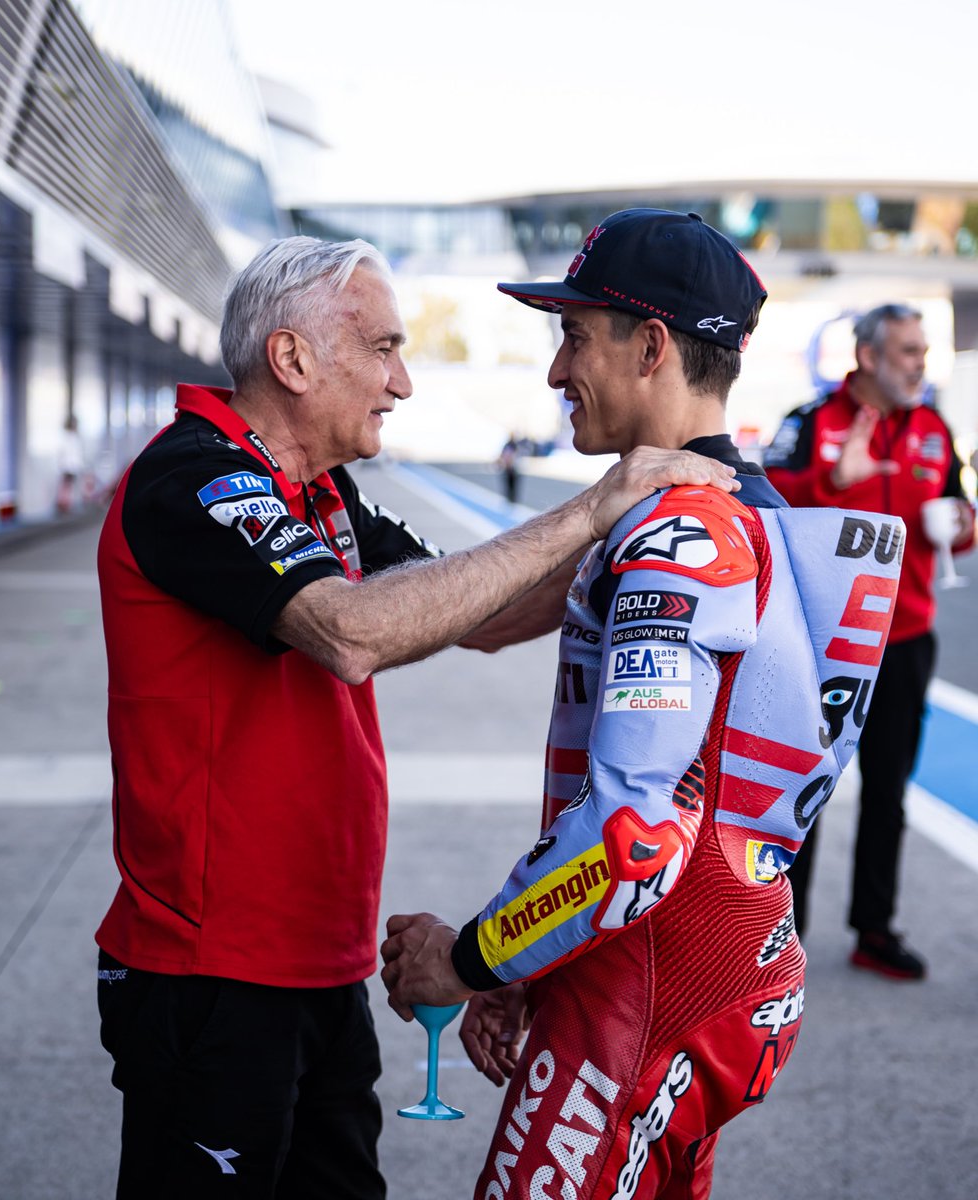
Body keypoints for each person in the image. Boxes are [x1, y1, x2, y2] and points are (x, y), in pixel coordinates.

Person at [92, 233, 742, 1200]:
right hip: (211, 971)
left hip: (317, 957)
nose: (402, 382)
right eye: (384, 349)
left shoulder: (323, 493)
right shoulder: (195, 476)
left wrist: (656, 517)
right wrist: (593, 509)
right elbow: (350, 631)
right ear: (294, 359)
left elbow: (481, 612)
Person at [380, 209, 904, 1200]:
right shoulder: (754, 509)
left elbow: (630, 838)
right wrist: (537, 961)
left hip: (646, 991)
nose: (553, 372)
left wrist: (473, 958)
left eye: (573, 337)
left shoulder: (677, 533)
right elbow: (696, 795)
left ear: (650, 345)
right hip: (709, 961)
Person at [763, 304, 975, 979]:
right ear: (868, 356)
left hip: (907, 636)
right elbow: (762, 507)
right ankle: (778, 939)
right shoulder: (809, 423)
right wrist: (832, 482)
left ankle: (873, 929)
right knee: (802, 793)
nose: (919, 363)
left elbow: (957, 520)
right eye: (908, 351)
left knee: (889, 791)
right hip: (822, 641)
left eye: (922, 350)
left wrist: (964, 526)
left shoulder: (935, 430)